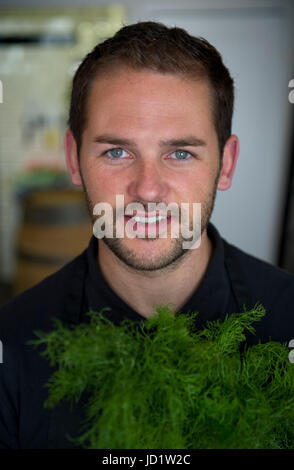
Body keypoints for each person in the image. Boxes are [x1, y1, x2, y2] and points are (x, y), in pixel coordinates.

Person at [0, 21, 293, 449]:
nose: (148, 189)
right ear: (75, 160)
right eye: (117, 152)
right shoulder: (11, 345)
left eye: (180, 153)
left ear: (226, 165)